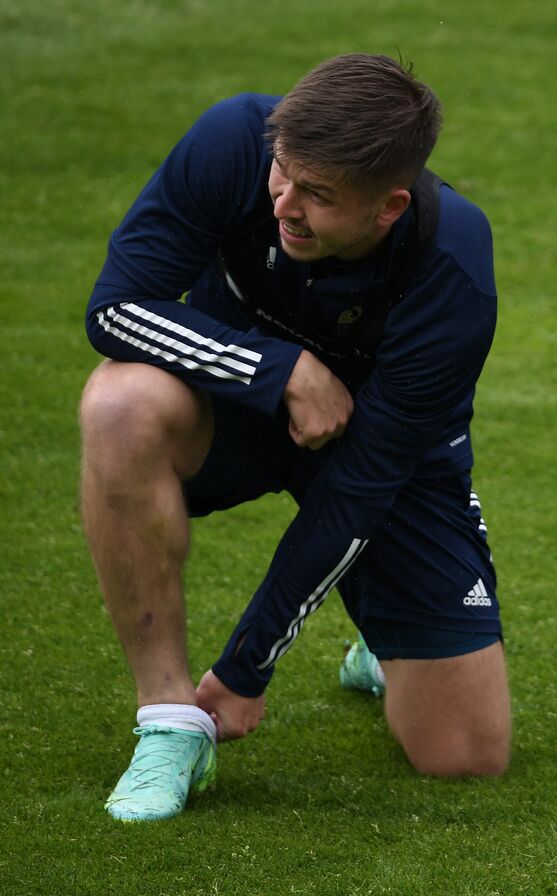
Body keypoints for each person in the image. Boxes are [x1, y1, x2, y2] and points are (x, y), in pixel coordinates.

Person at [80, 54, 511, 822]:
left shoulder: (452, 269)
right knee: (119, 404)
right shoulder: (237, 139)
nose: (286, 202)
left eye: (319, 195)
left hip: (383, 458)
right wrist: (277, 369)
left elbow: (358, 492)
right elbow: (115, 309)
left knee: (466, 757)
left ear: (389, 208)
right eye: (285, 172)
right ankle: (169, 723)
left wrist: (248, 668)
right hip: (237, 412)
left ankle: (380, 643)